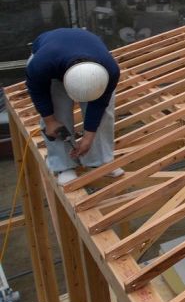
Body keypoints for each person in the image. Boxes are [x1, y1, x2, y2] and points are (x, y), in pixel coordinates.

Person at [25, 28, 123, 186]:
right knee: (58, 112)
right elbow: (38, 92)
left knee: (104, 113)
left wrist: (88, 137)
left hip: (87, 58)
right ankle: (63, 166)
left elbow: (99, 104)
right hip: (52, 59)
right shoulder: (41, 65)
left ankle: (99, 160)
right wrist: (50, 121)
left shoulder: (110, 70)